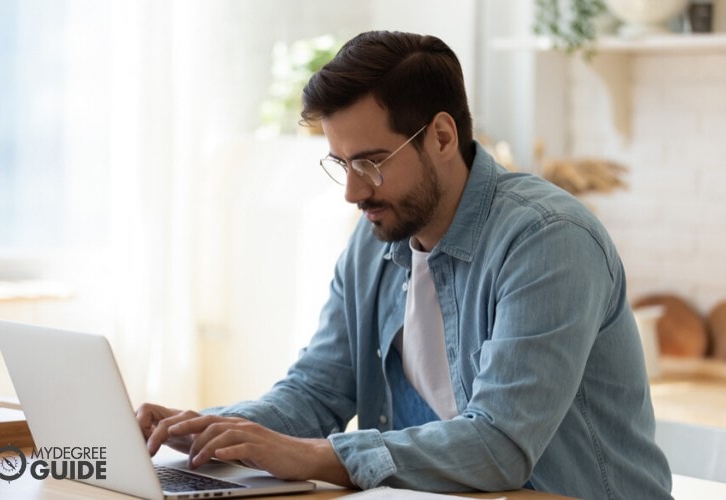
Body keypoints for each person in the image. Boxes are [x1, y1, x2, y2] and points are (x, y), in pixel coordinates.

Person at [137, 30, 673, 498]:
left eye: (370, 162)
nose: (351, 191)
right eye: (340, 164)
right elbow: (317, 391)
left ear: (441, 136)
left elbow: (500, 445)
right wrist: (213, 430)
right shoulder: (374, 239)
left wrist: (316, 456)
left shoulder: (548, 240)